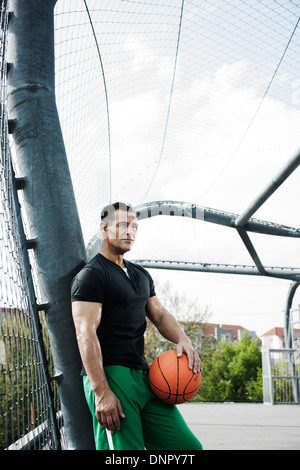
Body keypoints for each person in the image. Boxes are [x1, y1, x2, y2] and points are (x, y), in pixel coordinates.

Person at [71, 202, 203, 450]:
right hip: (111, 375)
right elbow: (85, 333)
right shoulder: (91, 275)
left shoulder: (140, 274)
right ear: (104, 227)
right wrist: (101, 392)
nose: (129, 231)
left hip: (145, 376)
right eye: (122, 225)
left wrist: (183, 339)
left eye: (134, 226)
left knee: (187, 448)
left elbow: (160, 314)